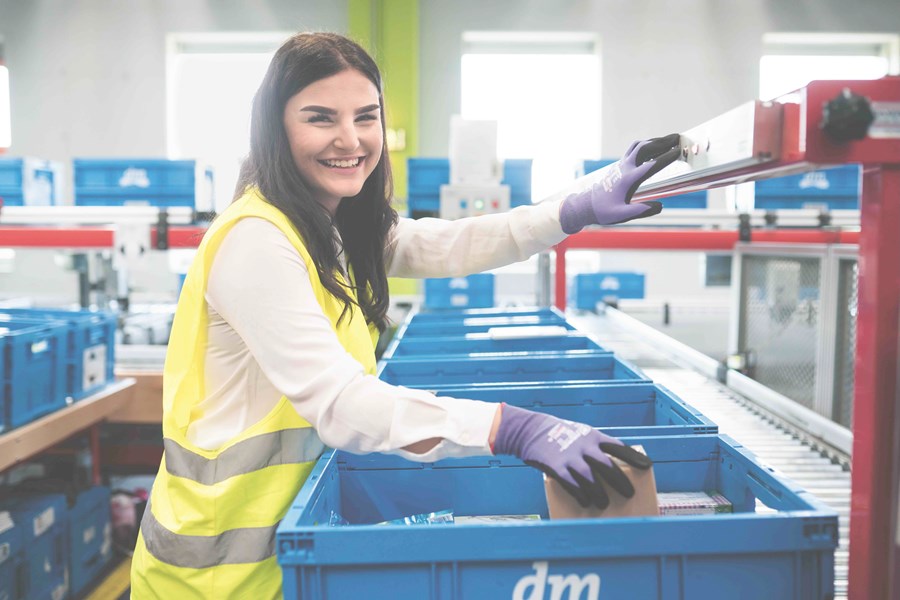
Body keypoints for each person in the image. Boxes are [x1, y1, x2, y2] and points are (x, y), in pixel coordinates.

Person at [130, 31, 681, 599]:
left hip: (288, 550)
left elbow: (451, 243)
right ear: (275, 129)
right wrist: (511, 428)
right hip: (216, 575)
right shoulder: (256, 239)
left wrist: (575, 209)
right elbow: (342, 403)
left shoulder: (331, 224)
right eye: (321, 118)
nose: (350, 139)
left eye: (365, 117)